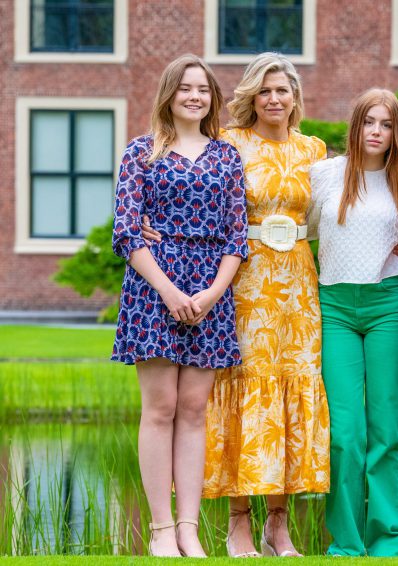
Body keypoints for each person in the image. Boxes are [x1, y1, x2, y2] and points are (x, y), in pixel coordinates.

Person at [142, 52, 330, 557]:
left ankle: (279, 525)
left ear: (295, 97)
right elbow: (198, 198)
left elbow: (331, 214)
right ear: (251, 96)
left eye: (282, 90)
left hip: (298, 286)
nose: (274, 98)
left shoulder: (314, 150)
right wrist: (147, 222)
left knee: (290, 395)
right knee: (242, 396)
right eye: (264, 90)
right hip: (241, 283)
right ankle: (238, 522)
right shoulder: (229, 144)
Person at [111, 53, 248, 558]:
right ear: (168, 94)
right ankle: (161, 530)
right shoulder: (141, 152)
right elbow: (126, 231)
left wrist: (212, 293)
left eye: (203, 89)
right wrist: (168, 290)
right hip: (153, 288)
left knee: (193, 410)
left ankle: (190, 528)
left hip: (211, 289)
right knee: (160, 408)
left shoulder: (227, 156)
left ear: (213, 98)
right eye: (186, 88)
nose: (195, 96)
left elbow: (237, 236)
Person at [307, 88, 398, 556]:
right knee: (345, 433)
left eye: (386, 124)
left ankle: (389, 543)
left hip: (388, 306)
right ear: (355, 127)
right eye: (369, 122)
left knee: (387, 429)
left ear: (397, 132)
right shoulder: (325, 174)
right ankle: (347, 545)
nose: (377, 132)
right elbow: (302, 230)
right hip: (334, 307)